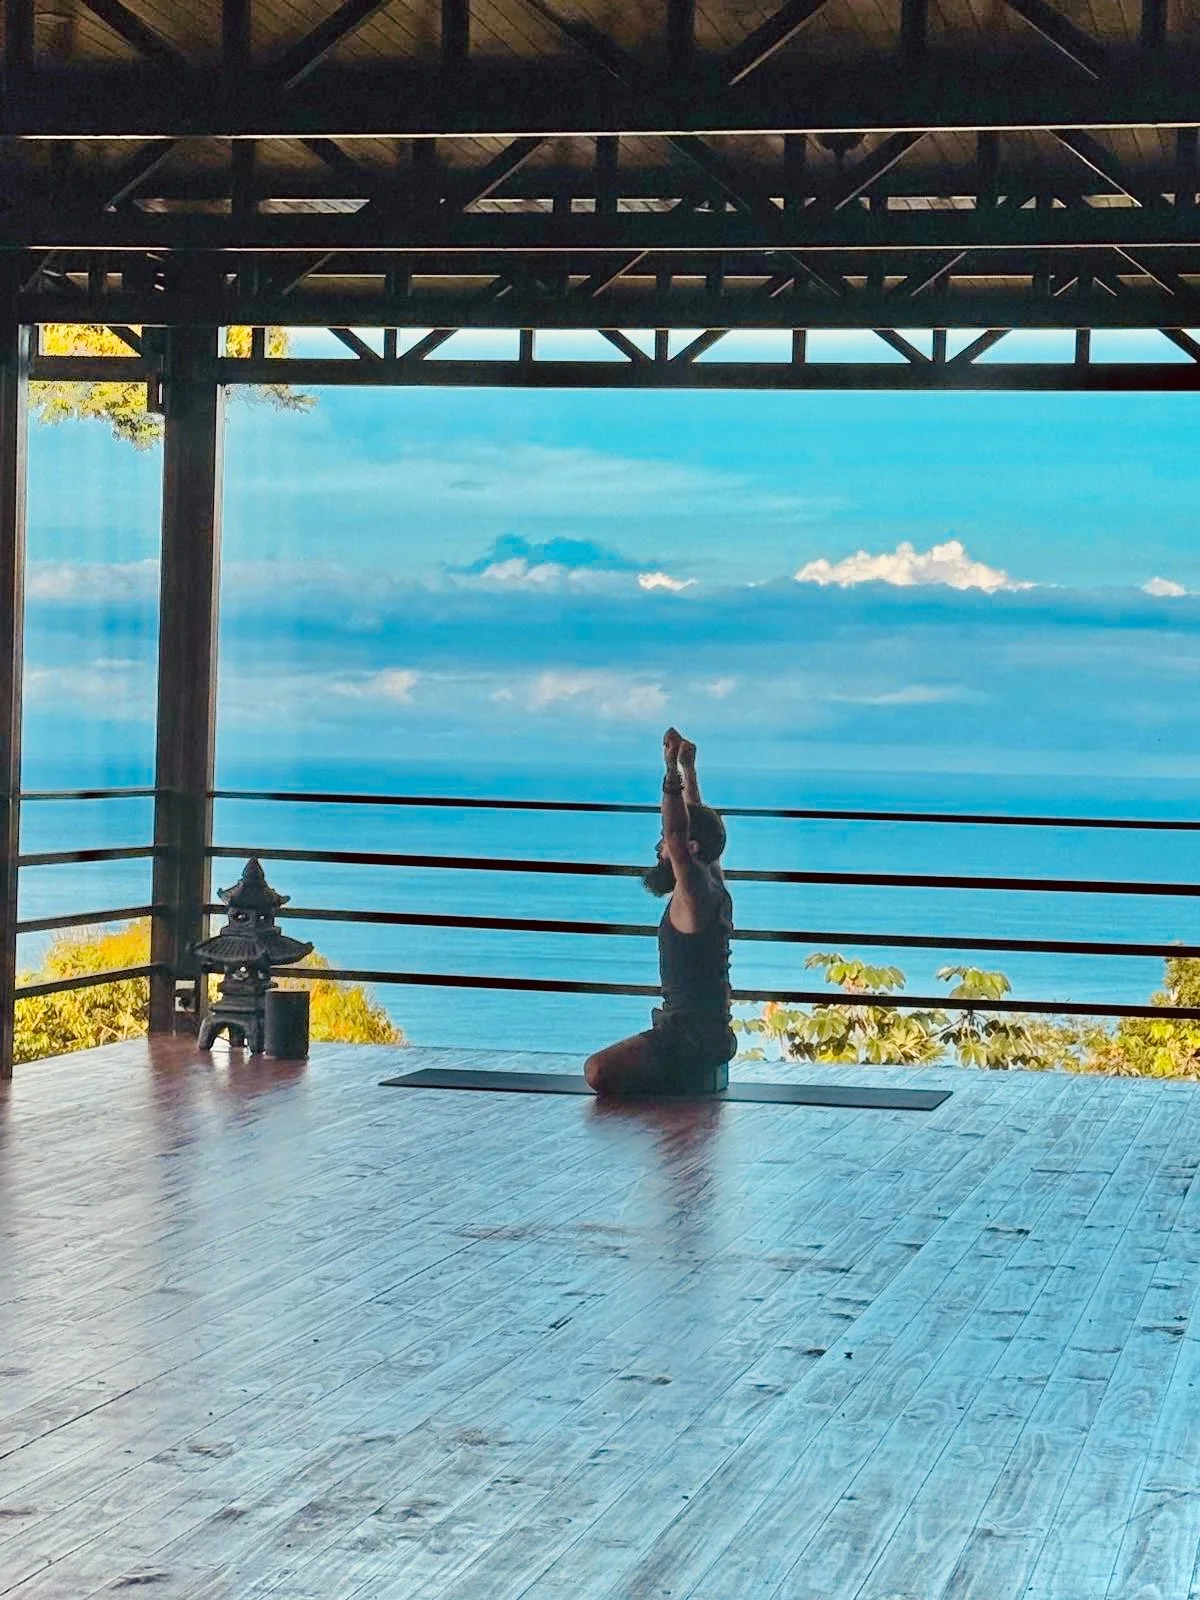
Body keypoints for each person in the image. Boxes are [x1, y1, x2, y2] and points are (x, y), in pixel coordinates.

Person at [584, 728, 735, 1096]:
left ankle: (676, 1082)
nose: (659, 848)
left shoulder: (694, 894)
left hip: (689, 1037)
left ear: (689, 848)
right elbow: (693, 824)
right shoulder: (714, 884)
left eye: (666, 845)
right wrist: (690, 769)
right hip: (712, 1031)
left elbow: (677, 831)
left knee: (596, 1071)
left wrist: (671, 769)